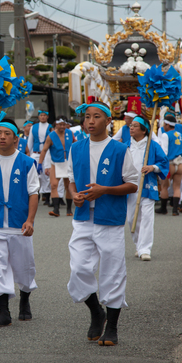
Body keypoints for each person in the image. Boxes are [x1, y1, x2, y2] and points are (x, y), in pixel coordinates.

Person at [67, 101, 138, 346]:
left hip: (110, 219)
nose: (90, 121)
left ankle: (113, 327)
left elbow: (132, 184)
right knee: (79, 269)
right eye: (87, 117)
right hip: (83, 219)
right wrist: (74, 194)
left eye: (96, 117)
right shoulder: (76, 148)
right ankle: (96, 311)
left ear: (109, 121)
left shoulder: (119, 149)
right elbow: (71, 179)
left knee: (112, 272)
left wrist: (105, 189)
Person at [0, 115, 40, 327]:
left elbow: (33, 192)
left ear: (16, 139)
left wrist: (30, 220)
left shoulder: (26, 163)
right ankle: (3, 312)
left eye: (8, 134)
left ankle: (25, 298)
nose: (2, 137)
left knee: (24, 267)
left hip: (19, 224)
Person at [126, 116, 168, 261]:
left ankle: (145, 249)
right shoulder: (126, 146)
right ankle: (138, 244)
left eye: (135, 126)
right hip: (130, 188)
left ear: (144, 130)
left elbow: (163, 161)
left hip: (148, 186)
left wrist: (153, 167)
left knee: (147, 218)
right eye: (131, 125)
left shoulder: (153, 146)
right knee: (132, 218)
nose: (131, 127)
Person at [39, 115, 75, 217]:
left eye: (64, 124)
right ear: (56, 125)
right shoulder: (51, 136)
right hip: (55, 162)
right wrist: (40, 163)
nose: (62, 127)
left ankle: (68, 209)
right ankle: (56, 209)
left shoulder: (70, 133)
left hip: (68, 162)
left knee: (68, 186)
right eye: (60, 125)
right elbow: (44, 150)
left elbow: (76, 145)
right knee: (54, 185)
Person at [155, 114, 182, 216]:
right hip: (180, 163)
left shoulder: (165, 135)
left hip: (170, 164)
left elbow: (164, 152)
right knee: (177, 187)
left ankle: (163, 208)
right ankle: (175, 210)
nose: (163, 125)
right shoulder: (181, 135)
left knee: (164, 187)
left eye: (164, 123)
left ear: (167, 124)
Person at [27, 110, 53, 205]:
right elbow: (30, 141)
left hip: (47, 153)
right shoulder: (34, 127)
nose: (42, 117)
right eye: (41, 115)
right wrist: (28, 154)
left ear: (47, 117)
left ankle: (47, 197)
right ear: (38, 117)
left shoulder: (50, 127)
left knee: (47, 175)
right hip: (36, 153)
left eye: (44, 115)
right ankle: (36, 195)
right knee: (36, 174)